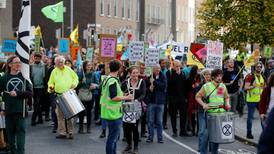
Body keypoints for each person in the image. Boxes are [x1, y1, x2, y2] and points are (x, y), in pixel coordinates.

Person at [0, 55, 32, 154]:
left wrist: (17, 93)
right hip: (8, 111)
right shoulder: (4, 78)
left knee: (20, 136)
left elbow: (30, 93)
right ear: (10, 65)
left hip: (20, 111)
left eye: (19, 62)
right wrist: (1, 109)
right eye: (16, 62)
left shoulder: (24, 77)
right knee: (10, 137)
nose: (18, 64)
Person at [100, 60, 133, 154]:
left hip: (109, 111)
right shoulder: (112, 81)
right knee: (113, 138)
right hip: (113, 113)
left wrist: (123, 94)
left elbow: (111, 94)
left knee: (113, 137)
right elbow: (114, 97)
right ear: (118, 69)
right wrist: (126, 97)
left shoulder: (108, 78)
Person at [195, 68, 230, 154]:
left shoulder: (222, 86)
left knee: (216, 136)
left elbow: (226, 97)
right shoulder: (206, 86)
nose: (219, 78)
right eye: (217, 76)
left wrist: (227, 104)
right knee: (206, 136)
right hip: (209, 114)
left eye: (221, 76)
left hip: (220, 114)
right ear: (213, 77)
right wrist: (204, 105)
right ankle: (203, 152)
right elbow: (197, 96)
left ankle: (214, 152)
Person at [48, 56, 79, 139]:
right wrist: (51, 87)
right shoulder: (54, 71)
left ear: (64, 62)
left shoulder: (69, 69)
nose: (60, 63)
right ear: (55, 63)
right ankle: (62, 132)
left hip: (68, 95)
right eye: (58, 62)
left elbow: (76, 78)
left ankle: (71, 132)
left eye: (61, 62)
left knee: (70, 115)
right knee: (59, 115)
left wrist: (74, 84)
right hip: (58, 95)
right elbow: (50, 82)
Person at [121, 66, 146, 154]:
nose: (135, 75)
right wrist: (124, 94)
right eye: (134, 73)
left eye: (137, 73)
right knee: (126, 127)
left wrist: (137, 100)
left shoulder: (142, 82)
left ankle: (135, 147)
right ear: (130, 74)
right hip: (127, 107)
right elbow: (120, 90)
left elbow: (143, 94)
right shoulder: (126, 82)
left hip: (136, 107)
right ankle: (128, 145)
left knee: (134, 127)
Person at [166, 60, 188, 137]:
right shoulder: (169, 73)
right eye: (176, 66)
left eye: (179, 66)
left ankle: (183, 130)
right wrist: (176, 74)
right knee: (173, 115)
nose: (178, 68)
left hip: (181, 97)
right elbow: (169, 83)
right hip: (173, 97)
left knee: (183, 114)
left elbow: (184, 85)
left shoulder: (183, 73)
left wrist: (185, 97)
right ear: (173, 66)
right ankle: (174, 130)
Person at [146, 64, 167, 143]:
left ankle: (160, 138)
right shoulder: (149, 77)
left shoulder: (163, 76)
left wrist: (154, 82)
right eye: (156, 69)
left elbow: (163, 87)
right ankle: (150, 137)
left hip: (160, 102)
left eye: (159, 69)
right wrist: (149, 88)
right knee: (150, 121)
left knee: (159, 121)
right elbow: (146, 88)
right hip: (152, 101)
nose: (158, 70)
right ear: (153, 70)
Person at [244, 62, 265, 139]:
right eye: (257, 67)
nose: (259, 68)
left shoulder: (263, 76)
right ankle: (249, 133)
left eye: (260, 67)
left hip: (260, 100)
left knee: (263, 116)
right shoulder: (250, 76)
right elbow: (245, 88)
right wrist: (253, 86)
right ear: (254, 68)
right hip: (251, 100)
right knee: (250, 117)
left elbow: (263, 88)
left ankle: (265, 134)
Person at [77, 61, 98, 134]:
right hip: (82, 94)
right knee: (81, 112)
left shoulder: (93, 74)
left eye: (90, 65)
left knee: (89, 112)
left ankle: (88, 128)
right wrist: (81, 82)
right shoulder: (80, 74)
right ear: (84, 66)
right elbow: (76, 86)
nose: (89, 66)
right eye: (88, 65)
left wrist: (94, 86)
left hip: (90, 94)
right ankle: (81, 128)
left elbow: (98, 84)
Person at [196, 69, 211, 153]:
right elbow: (197, 97)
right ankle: (201, 147)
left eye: (209, 74)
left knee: (211, 131)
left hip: (212, 111)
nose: (208, 76)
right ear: (203, 76)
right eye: (206, 74)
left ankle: (210, 147)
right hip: (202, 111)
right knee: (202, 131)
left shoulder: (214, 85)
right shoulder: (199, 85)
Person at [30, 52, 47, 126]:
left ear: (40, 58)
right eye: (35, 58)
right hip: (34, 88)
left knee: (37, 103)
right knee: (37, 104)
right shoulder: (31, 67)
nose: (36, 59)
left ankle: (33, 119)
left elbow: (45, 77)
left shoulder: (43, 66)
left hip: (41, 88)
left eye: (38, 58)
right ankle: (40, 119)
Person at [186, 65, 200, 136]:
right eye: (198, 70)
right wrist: (195, 85)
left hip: (198, 98)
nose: (199, 71)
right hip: (192, 98)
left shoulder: (199, 78)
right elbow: (189, 88)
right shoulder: (189, 78)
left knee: (198, 115)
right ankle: (193, 130)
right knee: (192, 115)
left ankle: (198, 130)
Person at [159, 59, 168, 129]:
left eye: (165, 63)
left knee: (164, 109)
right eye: (162, 63)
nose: (164, 65)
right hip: (159, 92)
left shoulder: (167, 72)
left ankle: (164, 123)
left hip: (166, 93)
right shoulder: (157, 72)